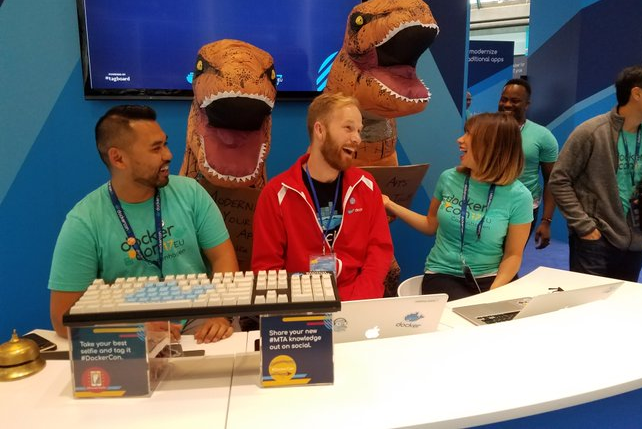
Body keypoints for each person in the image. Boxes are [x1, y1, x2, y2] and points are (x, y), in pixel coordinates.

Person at [49, 105, 239, 342]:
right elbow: (61, 318)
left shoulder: (191, 193)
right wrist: (131, 331)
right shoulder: (84, 222)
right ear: (118, 158)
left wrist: (220, 314)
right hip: (127, 335)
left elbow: (222, 257)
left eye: (165, 144)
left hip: (199, 321)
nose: (168, 155)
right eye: (155, 149)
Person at [251, 92, 393, 300]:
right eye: (348, 128)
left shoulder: (366, 185)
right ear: (320, 130)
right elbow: (267, 269)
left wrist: (358, 300)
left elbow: (379, 251)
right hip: (301, 304)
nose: (357, 138)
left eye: (359, 131)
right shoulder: (276, 194)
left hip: (358, 301)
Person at [383, 112, 533, 301]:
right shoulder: (449, 178)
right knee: (465, 318)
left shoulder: (519, 196)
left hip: (492, 278)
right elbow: (430, 224)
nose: (459, 140)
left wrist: (495, 291)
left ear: (491, 145)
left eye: (469, 134)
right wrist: (390, 204)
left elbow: (513, 255)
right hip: (444, 274)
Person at [549, 65, 642, 282]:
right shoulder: (591, 132)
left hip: (636, 240)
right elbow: (559, 180)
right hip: (595, 241)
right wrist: (585, 227)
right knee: (588, 308)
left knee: (621, 307)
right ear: (637, 94)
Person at [498, 78, 559, 248]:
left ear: (527, 104)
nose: (507, 104)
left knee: (511, 258)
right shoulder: (485, 128)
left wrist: (546, 221)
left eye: (515, 101)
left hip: (523, 208)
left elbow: (551, 180)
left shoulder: (543, 136)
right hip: (487, 204)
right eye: (504, 99)